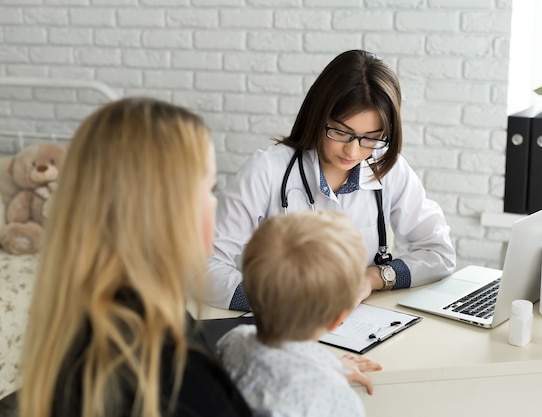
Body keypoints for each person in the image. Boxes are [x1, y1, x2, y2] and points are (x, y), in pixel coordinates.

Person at [18, 97, 258, 417]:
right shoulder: (176, 376)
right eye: (208, 189)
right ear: (162, 208)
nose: (214, 204)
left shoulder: (73, 326)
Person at [208, 49, 456, 311]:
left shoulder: (388, 168)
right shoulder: (267, 170)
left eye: (370, 137)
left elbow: (439, 254)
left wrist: (373, 278)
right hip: (282, 328)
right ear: (318, 116)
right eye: (340, 132)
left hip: (360, 324)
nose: (353, 151)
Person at [217, 210, 382, 417]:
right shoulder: (336, 397)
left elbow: (280, 369)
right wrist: (328, 378)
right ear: (336, 320)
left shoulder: (233, 342)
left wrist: (329, 368)